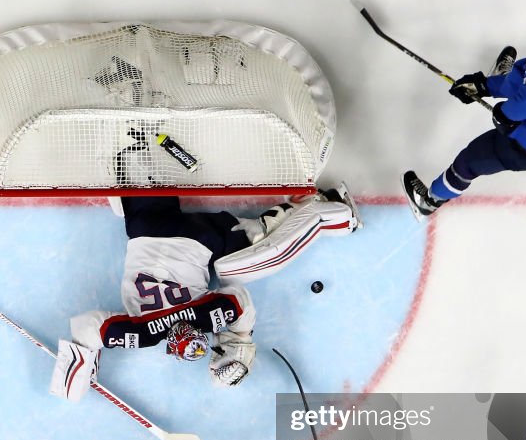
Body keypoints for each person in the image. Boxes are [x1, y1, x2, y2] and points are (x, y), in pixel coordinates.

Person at [49, 131, 362, 400]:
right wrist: (76, 376)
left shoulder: (205, 317)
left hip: (199, 237)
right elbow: (84, 327)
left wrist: (237, 345)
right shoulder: (142, 334)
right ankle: (133, 131)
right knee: (131, 165)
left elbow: (239, 299)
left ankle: (325, 211)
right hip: (148, 228)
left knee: (246, 257)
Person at [403, 14, 526, 219]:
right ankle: (503, 74)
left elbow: (523, 105)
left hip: (523, 147)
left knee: (468, 162)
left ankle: (428, 201)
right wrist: (483, 86)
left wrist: (504, 117)